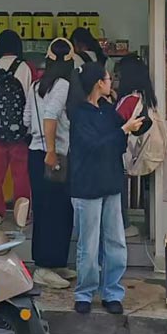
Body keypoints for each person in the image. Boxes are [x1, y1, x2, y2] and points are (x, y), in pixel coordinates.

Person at [67, 62, 144, 315]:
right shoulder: (79, 114)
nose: (112, 83)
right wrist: (123, 130)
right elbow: (93, 146)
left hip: (111, 182)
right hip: (87, 184)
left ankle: (112, 292)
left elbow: (117, 144)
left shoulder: (108, 110)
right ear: (99, 83)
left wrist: (131, 128)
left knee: (115, 241)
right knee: (88, 245)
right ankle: (85, 293)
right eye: (109, 79)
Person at [25, 37, 76, 289]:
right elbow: (50, 115)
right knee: (57, 211)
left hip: (36, 154)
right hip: (54, 157)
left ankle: (54, 263)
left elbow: (27, 119)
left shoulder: (36, 85)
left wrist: (39, 139)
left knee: (48, 210)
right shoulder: (64, 85)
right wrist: (52, 150)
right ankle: (44, 268)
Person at [0, 29, 33, 226]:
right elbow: (30, 97)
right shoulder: (26, 67)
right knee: (21, 173)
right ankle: (22, 213)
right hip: (19, 130)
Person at [115, 55, 158, 238]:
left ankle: (122, 224)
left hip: (123, 152)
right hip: (139, 151)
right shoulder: (146, 97)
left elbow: (115, 123)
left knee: (118, 190)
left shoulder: (130, 100)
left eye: (118, 75)